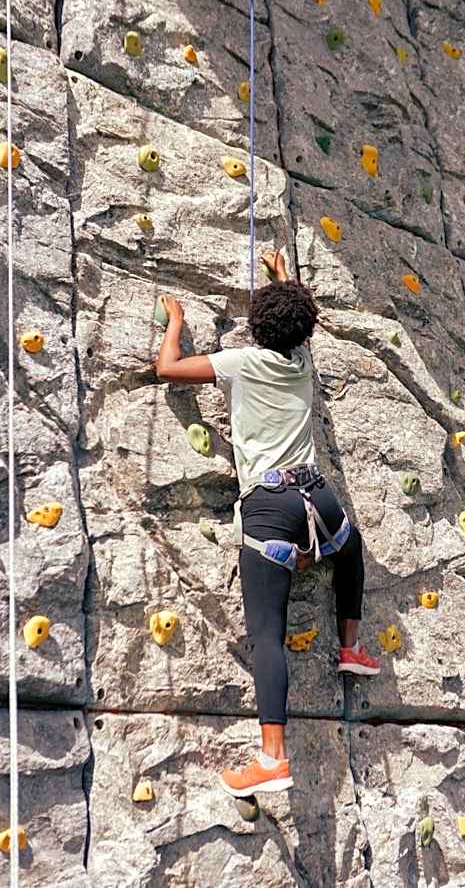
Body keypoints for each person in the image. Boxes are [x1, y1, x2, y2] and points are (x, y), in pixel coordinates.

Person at [155, 250, 380, 799]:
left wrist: (176, 321)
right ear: (302, 330)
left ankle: (273, 758)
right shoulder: (302, 362)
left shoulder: (239, 362)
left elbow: (169, 370)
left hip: (271, 509)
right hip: (317, 498)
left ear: (257, 326)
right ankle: (350, 647)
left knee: (267, 633)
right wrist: (283, 279)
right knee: (350, 547)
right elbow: (301, 321)